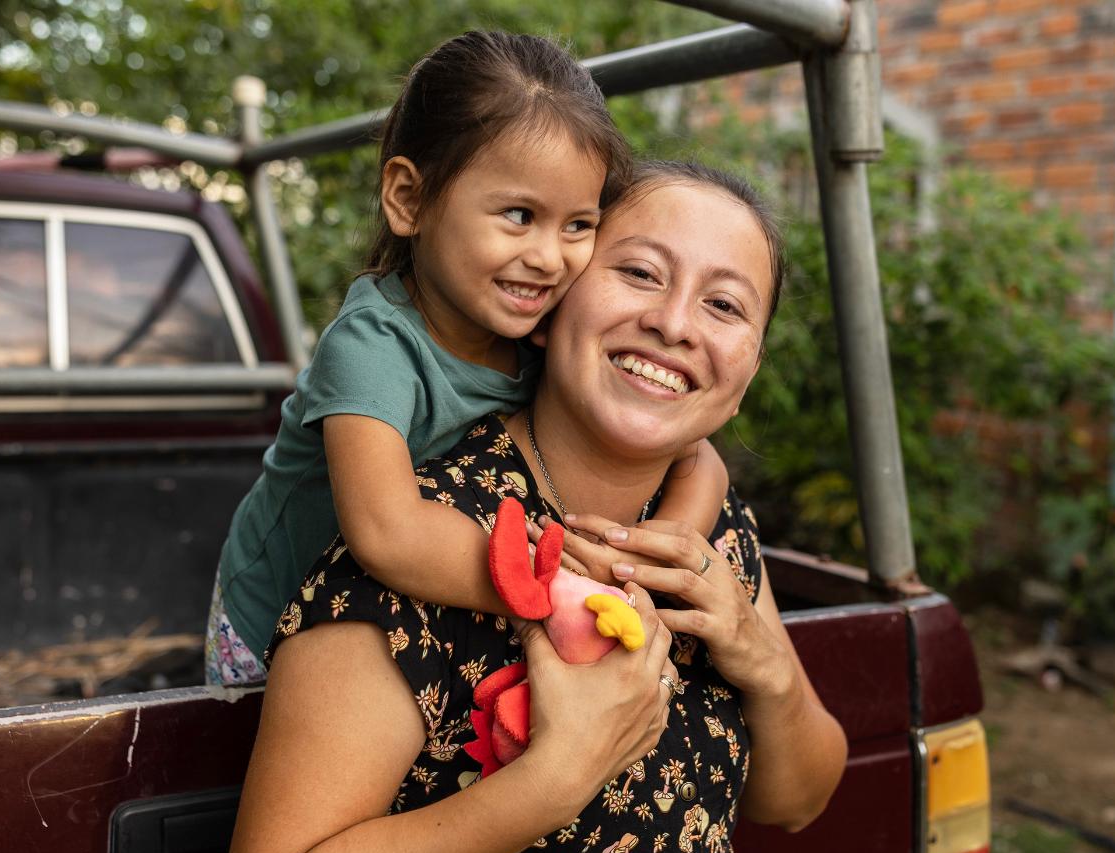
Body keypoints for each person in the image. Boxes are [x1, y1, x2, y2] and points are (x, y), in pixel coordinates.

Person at [229, 162, 848, 853]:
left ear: (745, 378)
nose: (673, 324)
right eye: (642, 273)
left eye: (725, 306)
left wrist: (764, 664)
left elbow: (794, 801)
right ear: (550, 309)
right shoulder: (427, 545)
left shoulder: (712, 534)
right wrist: (554, 780)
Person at [206, 32, 730, 686]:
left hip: (418, 613)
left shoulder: (547, 328)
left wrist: (637, 568)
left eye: (577, 225)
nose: (548, 256)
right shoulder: (374, 344)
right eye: (519, 215)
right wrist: (559, 584)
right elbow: (386, 531)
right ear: (408, 199)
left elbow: (698, 457)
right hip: (271, 620)